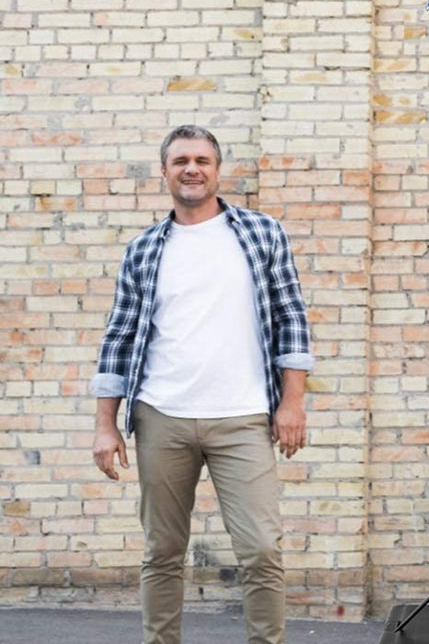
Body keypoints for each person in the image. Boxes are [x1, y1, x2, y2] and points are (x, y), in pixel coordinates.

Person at [91, 125, 314, 644]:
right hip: (161, 415)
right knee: (162, 552)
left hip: (243, 415)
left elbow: (292, 318)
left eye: (202, 160)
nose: (192, 169)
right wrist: (106, 424)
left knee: (261, 549)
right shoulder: (144, 248)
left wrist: (293, 402)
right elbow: (119, 336)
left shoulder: (262, 234)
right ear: (164, 171)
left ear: (217, 169)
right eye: (180, 161)